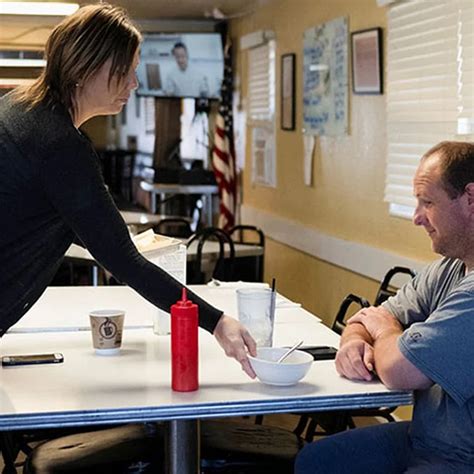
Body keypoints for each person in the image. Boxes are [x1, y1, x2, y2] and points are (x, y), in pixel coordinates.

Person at [0, 3, 256, 378]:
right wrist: (216, 322)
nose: (134, 84)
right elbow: (120, 259)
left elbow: (69, 221)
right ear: (88, 67)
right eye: (126, 71)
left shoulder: (18, 108)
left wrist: (116, 237)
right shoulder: (59, 144)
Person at [295, 141, 474, 474]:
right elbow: (371, 316)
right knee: (314, 462)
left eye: (428, 202)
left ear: (470, 198)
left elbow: (399, 370)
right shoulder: (449, 267)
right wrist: (352, 342)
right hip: (422, 439)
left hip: (461, 459)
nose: (417, 218)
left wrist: (385, 331)